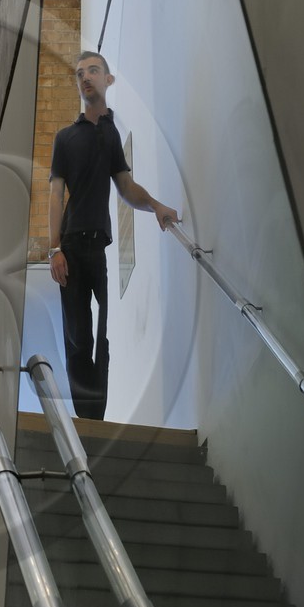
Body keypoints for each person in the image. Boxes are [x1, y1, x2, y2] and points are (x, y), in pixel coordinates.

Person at [48, 50, 178, 421]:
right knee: (78, 338)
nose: (85, 77)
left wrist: (156, 206)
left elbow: (124, 187)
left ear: (108, 80)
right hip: (70, 248)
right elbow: (55, 195)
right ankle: (84, 422)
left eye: (93, 71)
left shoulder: (111, 134)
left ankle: (95, 421)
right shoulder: (65, 137)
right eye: (80, 73)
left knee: (101, 338)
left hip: (99, 249)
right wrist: (53, 248)